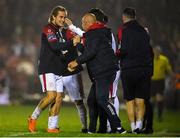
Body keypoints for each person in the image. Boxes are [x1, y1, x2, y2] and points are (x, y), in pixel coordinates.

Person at [68, 13, 126, 134]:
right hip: (102, 72)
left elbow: (90, 53)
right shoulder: (96, 33)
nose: (82, 25)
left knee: (102, 100)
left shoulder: (94, 34)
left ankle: (118, 126)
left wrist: (76, 61)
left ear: (89, 23)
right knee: (92, 101)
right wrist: (78, 44)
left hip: (103, 72)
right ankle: (92, 129)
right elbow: (87, 51)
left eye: (83, 22)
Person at [28, 6, 80, 133]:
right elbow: (55, 46)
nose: (63, 19)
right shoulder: (48, 29)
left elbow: (65, 48)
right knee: (51, 96)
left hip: (58, 69)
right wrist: (72, 42)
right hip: (47, 68)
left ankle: (52, 126)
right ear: (53, 17)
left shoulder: (60, 31)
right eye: (60, 17)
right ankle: (33, 117)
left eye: (64, 17)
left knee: (58, 97)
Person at [118, 7, 153, 133]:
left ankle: (133, 128)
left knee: (130, 100)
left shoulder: (124, 31)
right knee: (141, 99)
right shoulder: (145, 31)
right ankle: (139, 126)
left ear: (124, 17)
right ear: (135, 17)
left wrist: (116, 55)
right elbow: (149, 50)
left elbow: (123, 50)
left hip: (129, 69)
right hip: (144, 69)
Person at [151, 46, 172, 121]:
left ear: (160, 52)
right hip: (152, 81)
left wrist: (171, 78)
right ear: (153, 51)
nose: (156, 52)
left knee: (159, 98)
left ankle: (159, 116)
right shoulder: (150, 59)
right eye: (155, 51)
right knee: (152, 99)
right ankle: (151, 115)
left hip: (160, 81)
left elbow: (168, 69)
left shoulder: (164, 59)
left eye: (158, 51)